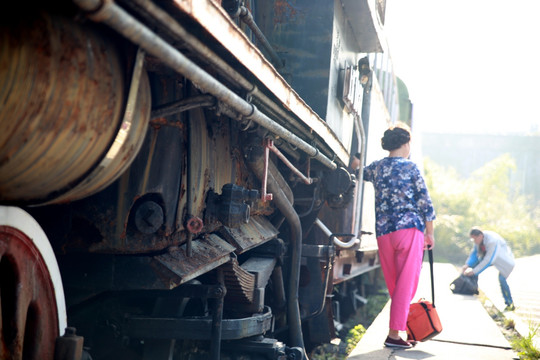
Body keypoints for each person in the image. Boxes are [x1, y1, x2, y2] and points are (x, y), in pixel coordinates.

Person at [363, 124, 436, 349]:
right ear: (405, 144)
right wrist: (430, 232)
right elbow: (425, 202)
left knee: (396, 285)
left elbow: (358, 170)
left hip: (384, 234)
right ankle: (394, 335)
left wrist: (355, 160)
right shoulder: (410, 167)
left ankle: (401, 330)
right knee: (407, 283)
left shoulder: (376, 168)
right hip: (408, 230)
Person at [462, 227, 515, 311]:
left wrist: (474, 271)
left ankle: (510, 303)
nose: (474, 242)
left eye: (475, 239)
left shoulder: (492, 241)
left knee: (502, 279)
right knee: (477, 263)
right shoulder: (480, 240)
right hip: (495, 261)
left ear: (480, 236)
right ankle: (473, 287)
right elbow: (475, 253)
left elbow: (488, 260)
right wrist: (467, 265)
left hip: (505, 263)